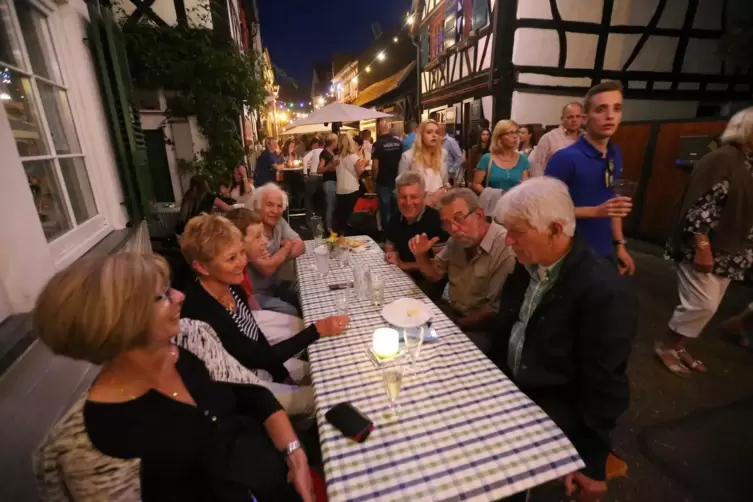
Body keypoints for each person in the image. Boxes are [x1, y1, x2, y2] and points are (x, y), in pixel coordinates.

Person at [34, 252, 318, 502]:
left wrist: (294, 455)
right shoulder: (91, 445)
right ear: (119, 325)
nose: (180, 296)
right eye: (163, 295)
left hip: (278, 475)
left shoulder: (193, 336)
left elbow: (254, 393)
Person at [490, 177, 636, 501]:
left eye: (516, 232)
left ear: (555, 230)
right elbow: (508, 328)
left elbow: (606, 384)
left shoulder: (603, 291)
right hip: (507, 385)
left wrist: (593, 463)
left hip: (547, 406)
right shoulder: (530, 263)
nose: (507, 240)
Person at [180, 215, 349, 415]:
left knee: (322, 371)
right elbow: (257, 358)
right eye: (231, 259)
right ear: (201, 267)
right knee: (321, 399)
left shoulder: (231, 286)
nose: (242, 262)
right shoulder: (203, 313)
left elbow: (258, 341)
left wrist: (282, 374)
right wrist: (317, 330)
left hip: (262, 366)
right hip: (242, 389)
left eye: (242, 252)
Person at [658, 107, 753, 376]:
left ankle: (679, 346)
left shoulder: (748, 162)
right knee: (701, 304)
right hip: (705, 247)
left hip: (732, 251)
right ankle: (666, 345)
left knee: (708, 308)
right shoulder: (723, 159)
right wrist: (702, 246)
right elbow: (701, 205)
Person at [546, 81, 635, 273]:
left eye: (617, 109)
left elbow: (614, 203)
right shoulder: (564, 159)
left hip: (605, 249)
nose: (610, 116)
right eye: (601, 109)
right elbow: (544, 211)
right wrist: (596, 211)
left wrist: (619, 243)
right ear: (585, 119)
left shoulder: (615, 152)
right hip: (571, 253)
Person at [409, 188, 516, 347]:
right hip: (453, 312)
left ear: (479, 215)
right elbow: (434, 274)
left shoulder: (504, 248)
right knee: (409, 331)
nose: (453, 229)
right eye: (447, 223)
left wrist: (455, 324)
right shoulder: (456, 242)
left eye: (458, 219)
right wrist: (420, 254)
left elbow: (494, 311)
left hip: (483, 328)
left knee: (437, 350)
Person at [225, 208, 306, 343]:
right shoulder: (233, 276)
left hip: (254, 311)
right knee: (298, 327)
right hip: (245, 335)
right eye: (258, 236)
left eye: (263, 234)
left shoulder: (242, 268)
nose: (265, 242)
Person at [385, 171, 450, 300]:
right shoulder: (395, 218)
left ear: (424, 196)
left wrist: (404, 265)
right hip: (401, 275)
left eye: (414, 197)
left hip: (428, 282)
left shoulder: (437, 220)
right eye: (403, 197)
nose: (408, 202)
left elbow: (441, 267)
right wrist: (391, 254)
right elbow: (389, 244)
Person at [248, 183, 305, 316]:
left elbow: (301, 245)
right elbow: (267, 269)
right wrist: (287, 246)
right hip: (253, 295)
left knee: (307, 295)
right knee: (292, 312)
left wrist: (275, 258)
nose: (275, 210)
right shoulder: (251, 229)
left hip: (274, 287)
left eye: (279, 206)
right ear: (258, 205)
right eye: (269, 204)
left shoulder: (278, 221)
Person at [398, 119, 451, 206]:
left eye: (437, 132)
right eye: (429, 132)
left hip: (440, 205)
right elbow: (401, 187)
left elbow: (445, 181)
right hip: (417, 206)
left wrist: (444, 190)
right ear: (421, 135)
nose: (434, 135)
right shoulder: (408, 157)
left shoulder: (443, 154)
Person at [472, 120, 530, 195]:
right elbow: (476, 184)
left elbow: (524, 186)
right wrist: (492, 196)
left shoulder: (523, 159)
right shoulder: (487, 158)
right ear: (499, 137)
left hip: (514, 204)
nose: (515, 136)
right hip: (493, 204)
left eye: (516, 132)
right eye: (510, 133)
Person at [528, 102, 584, 177]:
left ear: (583, 118)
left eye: (578, 116)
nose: (574, 120)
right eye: (570, 117)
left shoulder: (586, 138)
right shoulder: (549, 138)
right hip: (554, 185)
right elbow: (537, 166)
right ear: (562, 119)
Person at [372, 118, 403, 230]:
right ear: (388, 129)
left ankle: (387, 235)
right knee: (397, 208)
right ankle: (397, 232)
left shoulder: (378, 144)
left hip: (383, 181)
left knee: (385, 210)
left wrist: (374, 178)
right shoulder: (398, 142)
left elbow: (375, 166)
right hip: (397, 180)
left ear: (379, 130)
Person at [334, 133, 366, 234]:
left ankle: (341, 235)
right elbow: (359, 172)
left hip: (340, 189)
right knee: (351, 216)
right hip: (351, 188)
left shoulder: (337, 157)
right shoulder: (353, 157)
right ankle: (351, 236)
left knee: (342, 216)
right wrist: (364, 166)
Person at [317, 133, 339, 233]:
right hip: (329, 182)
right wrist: (330, 166)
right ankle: (329, 229)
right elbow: (319, 169)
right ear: (333, 142)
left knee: (333, 205)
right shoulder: (324, 153)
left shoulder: (332, 152)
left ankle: (331, 228)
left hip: (334, 181)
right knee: (330, 205)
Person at [302, 138, 323, 229]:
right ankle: (320, 222)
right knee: (320, 200)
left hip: (313, 175)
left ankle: (309, 222)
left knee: (308, 199)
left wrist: (305, 173)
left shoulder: (314, 151)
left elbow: (304, 159)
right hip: (322, 177)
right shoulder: (326, 152)